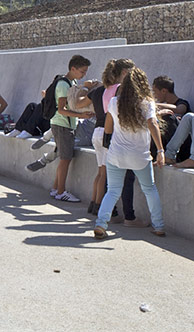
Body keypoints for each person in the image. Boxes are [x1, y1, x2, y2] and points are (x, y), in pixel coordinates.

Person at [94, 67, 167, 239]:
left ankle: (100, 224)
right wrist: (161, 150)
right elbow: (153, 124)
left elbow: (108, 128)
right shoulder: (147, 102)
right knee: (149, 189)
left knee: (112, 191)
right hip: (139, 155)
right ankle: (159, 226)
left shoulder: (114, 102)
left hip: (116, 154)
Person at [86, 59, 134, 220]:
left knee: (100, 172)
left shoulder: (101, 89)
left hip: (97, 132)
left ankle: (94, 204)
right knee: (106, 175)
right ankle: (102, 208)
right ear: (124, 73)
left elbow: (79, 102)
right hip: (109, 132)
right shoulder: (119, 89)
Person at [42, 54, 92, 202]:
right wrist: (80, 116)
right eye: (82, 71)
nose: (84, 74)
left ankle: (56, 188)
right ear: (73, 68)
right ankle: (61, 191)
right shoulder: (64, 85)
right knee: (65, 159)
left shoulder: (72, 82)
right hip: (62, 125)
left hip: (64, 124)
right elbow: (62, 109)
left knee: (64, 157)